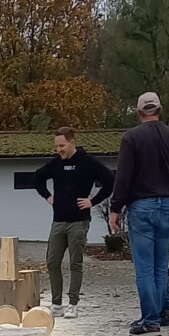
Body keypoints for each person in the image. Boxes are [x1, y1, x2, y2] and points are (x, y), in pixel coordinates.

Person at [109, 92, 169, 336]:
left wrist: (115, 208)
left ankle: (150, 321)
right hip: (168, 206)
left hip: (141, 207)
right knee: (160, 266)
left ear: (138, 113)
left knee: (144, 268)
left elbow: (123, 177)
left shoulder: (131, 138)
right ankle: (162, 311)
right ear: (160, 109)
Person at [33, 127, 116, 317]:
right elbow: (37, 177)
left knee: (75, 262)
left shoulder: (88, 162)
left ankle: (73, 303)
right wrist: (47, 196)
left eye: (62, 145)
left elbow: (109, 180)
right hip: (59, 220)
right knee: (52, 261)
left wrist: (92, 201)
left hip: (78, 221)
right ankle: (56, 304)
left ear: (71, 142)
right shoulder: (55, 164)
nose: (59, 149)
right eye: (56, 146)